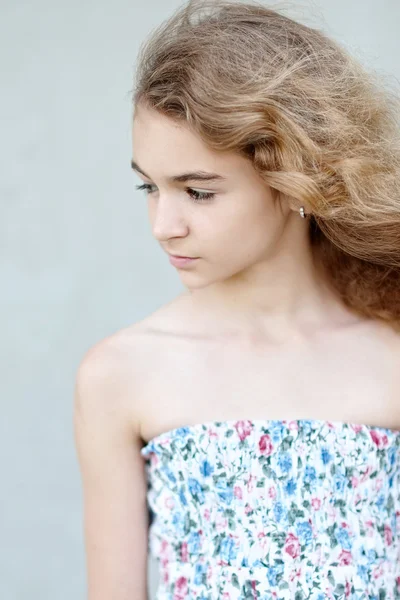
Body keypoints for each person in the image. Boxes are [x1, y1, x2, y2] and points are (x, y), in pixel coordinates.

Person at [73, 0, 400, 598]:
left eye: (198, 192)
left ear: (297, 175)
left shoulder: (390, 352)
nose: (162, 225)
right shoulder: (120, 375)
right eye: (150, 186)